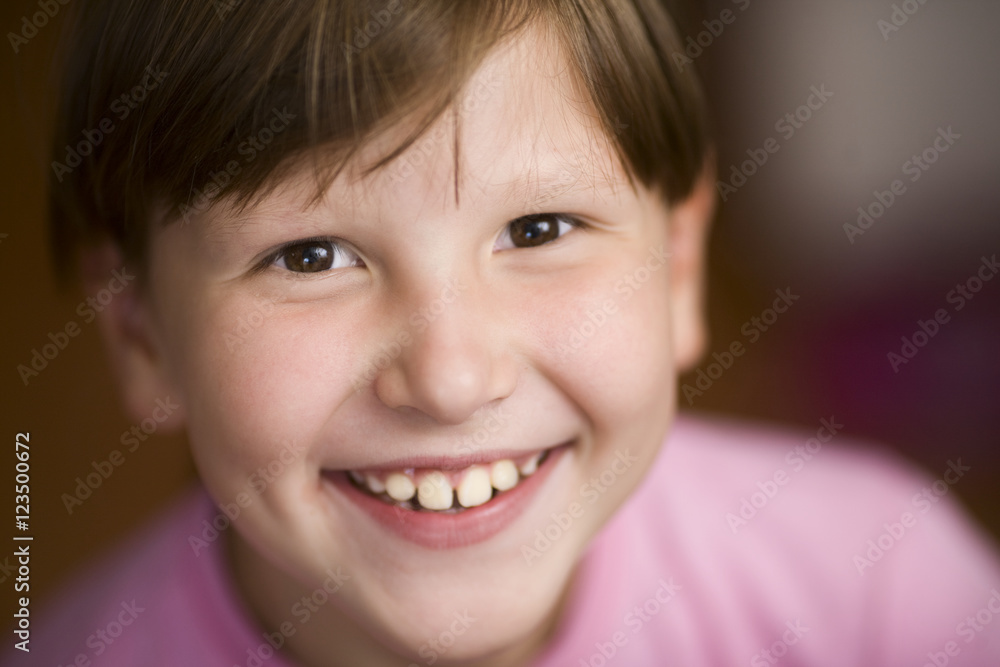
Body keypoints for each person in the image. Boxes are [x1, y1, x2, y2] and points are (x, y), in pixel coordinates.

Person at [18, 1, 1000, 665]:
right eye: (311, 256)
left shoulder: (879, 591)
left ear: (680, 269)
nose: (449, 379)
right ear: (143, 335)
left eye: (538, 230)